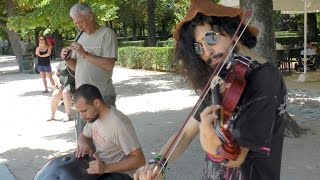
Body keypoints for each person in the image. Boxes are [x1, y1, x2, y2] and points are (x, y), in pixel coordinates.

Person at [134, 0, 287, 180]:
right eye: (198, 47)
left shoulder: (264, 78)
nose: (206, 51)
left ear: (231, 31)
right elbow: (186, 132)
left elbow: (236, 158)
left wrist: (209, 143)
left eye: (210, 38)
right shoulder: (224, 77)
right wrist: (158, 163)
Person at [60, 3, 118, 139]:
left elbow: (109, 65)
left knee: (107, 141)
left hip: (102, 96)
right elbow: (76, 67)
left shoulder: (107, 34)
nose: (78, 26)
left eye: (80, 21)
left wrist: (84, 53)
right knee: (84, 141)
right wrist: (67, 59)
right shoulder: (79, 36)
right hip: (82, 99)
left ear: (90, 16)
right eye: (75, 23)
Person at [73, 84, 146, 180]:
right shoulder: (94, 117)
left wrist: (105, 168)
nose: (82, 116)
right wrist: (83, 144)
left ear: (97, 103)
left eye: (84, 111)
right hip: (101, 168)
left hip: (122, 174)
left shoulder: (118, 124)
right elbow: (84, 136)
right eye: (79, 112)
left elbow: (139, 160)